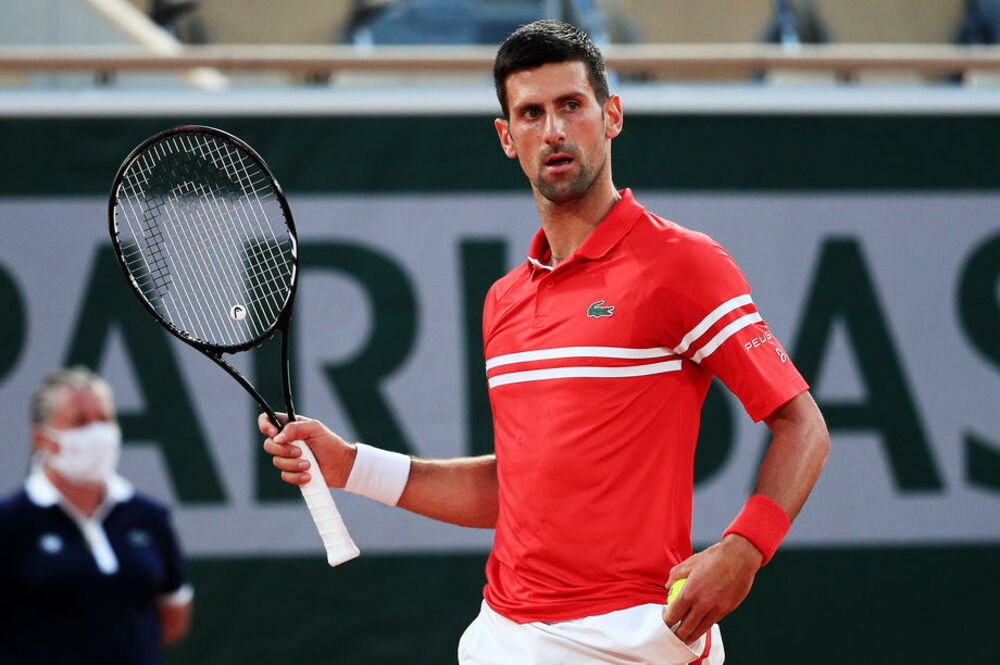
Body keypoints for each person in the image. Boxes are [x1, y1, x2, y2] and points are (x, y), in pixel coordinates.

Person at [259, 19, 829, 665]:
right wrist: (349, 466)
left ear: (612, 116)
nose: (553, 130)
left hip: (630, 636)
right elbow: (518, 491)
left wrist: (745, 547)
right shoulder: (504, 302)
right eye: (531, 113)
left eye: (571, 105)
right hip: (502, 634)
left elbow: (802, 424)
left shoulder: (683, 265)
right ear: (507, 137)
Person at [0, 366, 193, 665]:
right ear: (41, 439)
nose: (97, 432)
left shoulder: (150, 517)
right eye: (80, 421)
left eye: (104, 419)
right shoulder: (10, 521)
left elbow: (173, 618)